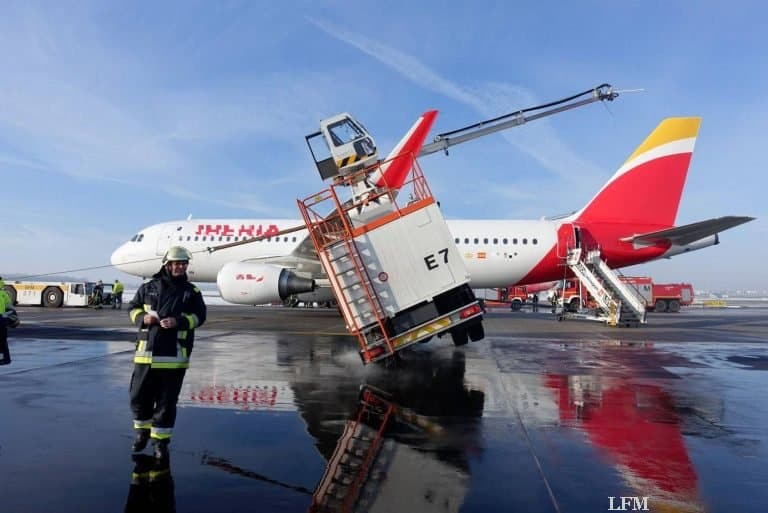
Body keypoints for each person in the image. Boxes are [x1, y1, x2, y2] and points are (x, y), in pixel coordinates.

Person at [128, 246, 206, 461]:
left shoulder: (191, 292)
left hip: (174, 355)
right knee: (138, 396)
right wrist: (142, 318)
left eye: (184, 264)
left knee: (166, 402)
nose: (181, 267)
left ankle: (160, 443)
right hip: (146, 353)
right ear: (167, 264)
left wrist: (178, 321)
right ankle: (142, 432)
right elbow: (132, 308)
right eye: (177, 263)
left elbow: (199, 317)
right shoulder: (148, 287)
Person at [0, 277, 20, 365]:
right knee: (3, 340)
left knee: (2, 340)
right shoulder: (4, 293)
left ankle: (5, 358)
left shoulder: (3, 293)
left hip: (1, 319)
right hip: (2, 319)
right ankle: (6, 359)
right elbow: (10, 307)